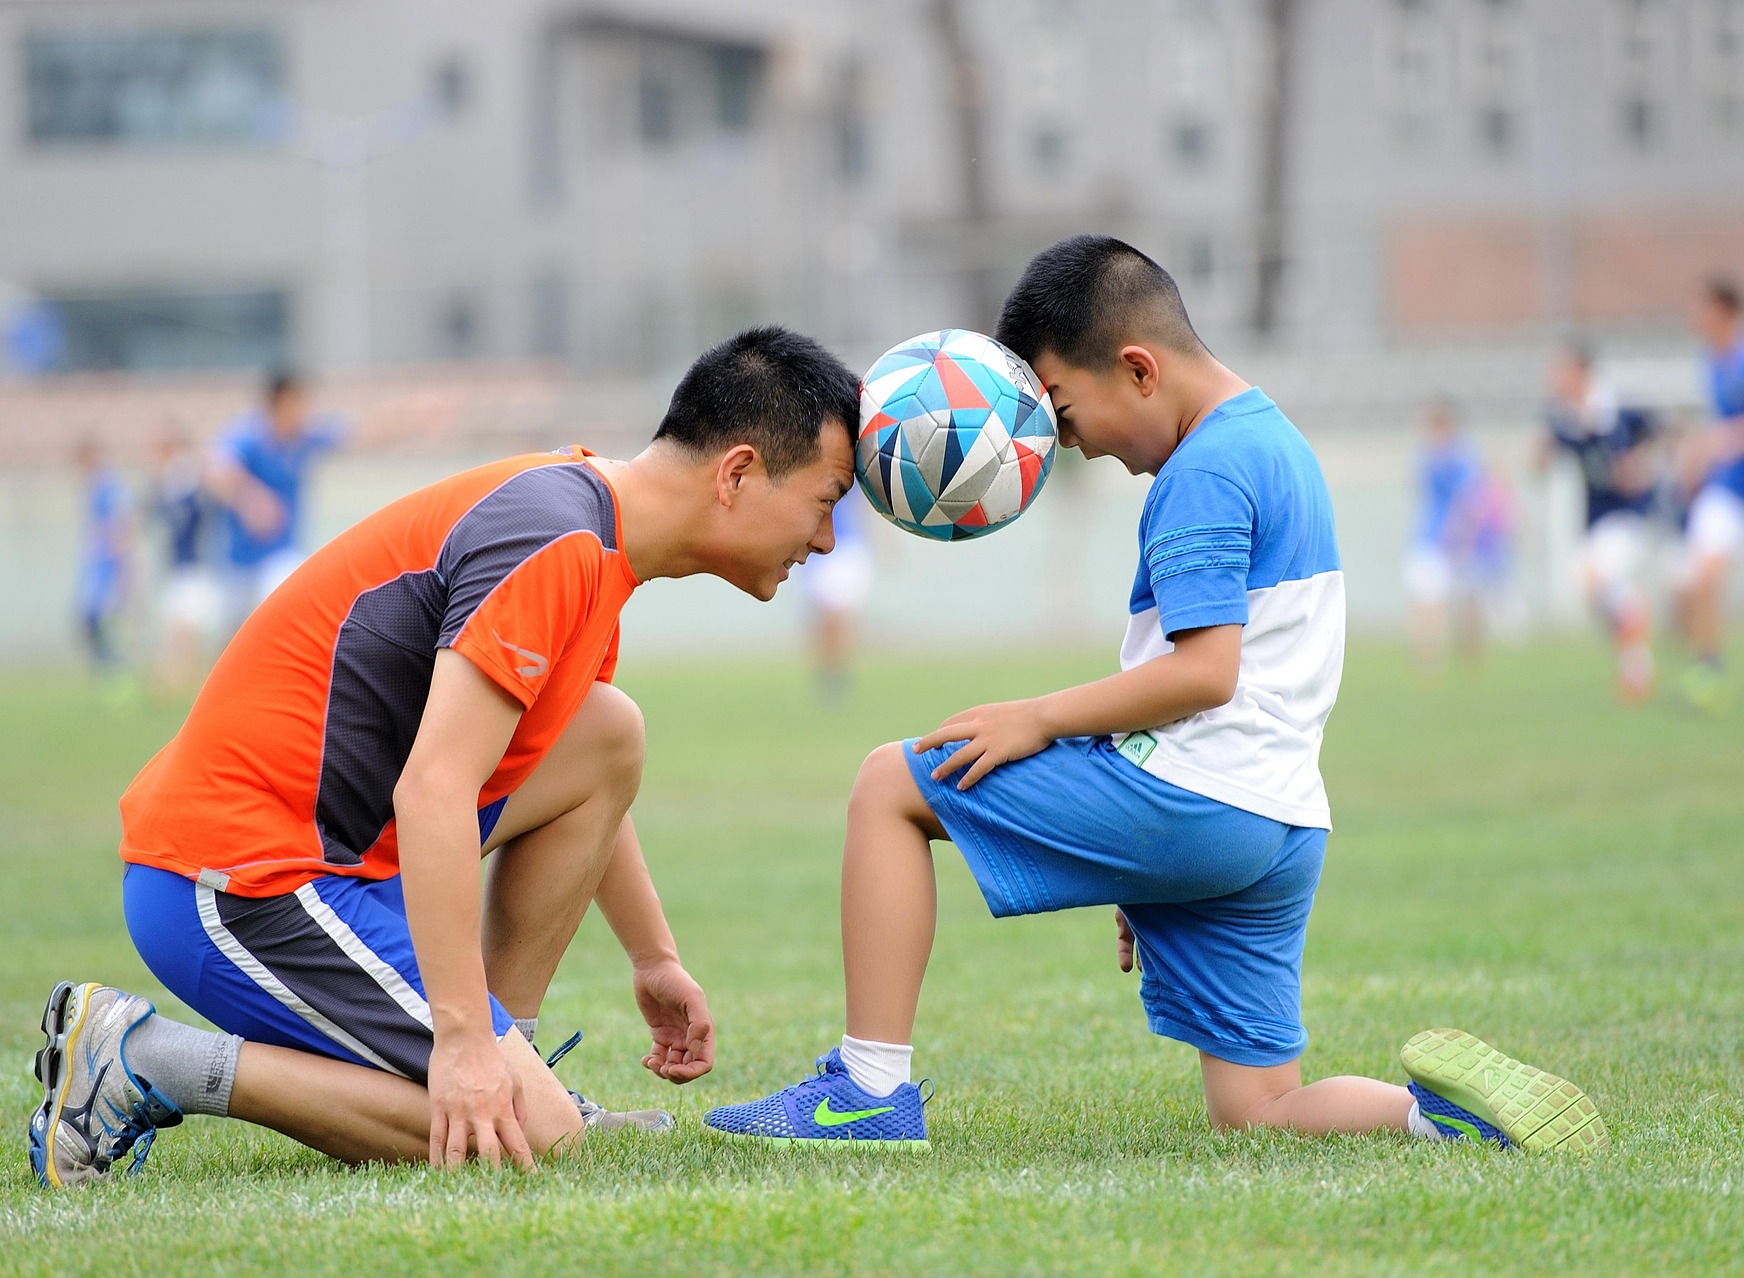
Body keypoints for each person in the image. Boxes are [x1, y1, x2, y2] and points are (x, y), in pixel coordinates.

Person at [705, 237, 1607, 1153]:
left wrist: (1038, 718)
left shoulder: (1201, 473)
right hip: (1279, 821)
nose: (1064, 441)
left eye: (1061, 407)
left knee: (887, 787)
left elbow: (1203, 674)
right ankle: (1443, 1122)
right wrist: (1144, 866)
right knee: (1256, 1110)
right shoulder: (1274, 441)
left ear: (1137, 369)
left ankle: (866, 1090)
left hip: (1195, 801)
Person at [28, 327, 862, 1185]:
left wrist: (654, 958)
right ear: (737, 472)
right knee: (530, 1140)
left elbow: (569, 766)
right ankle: (142, 1062)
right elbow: (435, 788)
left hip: (333, 865)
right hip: (236, 880)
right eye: (825, 499)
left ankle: (517, 1069)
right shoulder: (558, 540)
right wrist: (464, 1044)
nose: (829, 539)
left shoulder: (592, 534)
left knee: (608, 729)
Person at [1534, 344, 1659, 702]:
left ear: (1583, 372)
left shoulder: (1619, 410)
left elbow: (1657, 439)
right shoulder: (1562, 419)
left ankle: (1637, 653)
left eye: (1563, 371)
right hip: (1594, 520)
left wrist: (1641, 465)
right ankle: (1634, 661)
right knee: (1595, 592)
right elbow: (1542, 462)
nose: (1556, 380)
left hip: (1629, 514)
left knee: (1596, 579)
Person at [207, 370, 347, 623]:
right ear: (282, 400)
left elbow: (355, 436)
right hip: (239, 559)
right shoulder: (249, 434)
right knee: (233, 639)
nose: (305, 410)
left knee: (288, 597)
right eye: (300, 402)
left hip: (281, 555)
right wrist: (250, 499)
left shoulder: (304, 437)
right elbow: (215, 470)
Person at [1676, 278, 1744, 711]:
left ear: (1723, 310)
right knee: (1700, 577)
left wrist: (1714, 443)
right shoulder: (1709, 360)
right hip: (1727, 487)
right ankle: (1708, 664)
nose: (1696, 317)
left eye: (1703, 308)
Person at [1402, 400, 1488, 673]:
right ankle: (1430, 660)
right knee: (1426, 600)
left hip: (1455, 541)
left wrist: (1463, 536)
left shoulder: (1460, 456)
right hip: (1429, 538)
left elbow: (1469, 500)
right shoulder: (1427, 455)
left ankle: (1467, 655)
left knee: (1462, 604)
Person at [147, 424, 225, 693]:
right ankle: (182, 683)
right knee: (181, 632)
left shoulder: (190, 485)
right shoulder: (168, 487)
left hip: (195, 568)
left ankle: (179, 683)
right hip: (181, 568)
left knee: (185, 631)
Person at [798, 485, 875, 700]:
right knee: (823, 620)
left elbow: (865, 508)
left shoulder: (852, 478)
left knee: (839, 617)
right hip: (818, 551)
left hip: (846, 546)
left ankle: (837, 674)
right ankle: (829, 674)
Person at [73, 437, 134, 683]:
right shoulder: (96, 485)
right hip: (98, 563)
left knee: (98, 617)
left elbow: (121, 523)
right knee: (90, 619)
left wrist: (122, 564)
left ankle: (114, 666)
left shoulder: (107, 484)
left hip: (107, 564)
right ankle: (109, 665)